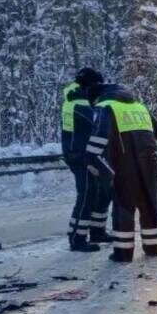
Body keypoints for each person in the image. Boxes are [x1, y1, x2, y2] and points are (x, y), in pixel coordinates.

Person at [85, 84, 157, 263]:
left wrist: (101, 167)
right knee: (150, 206)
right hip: (149, 163)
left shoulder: (106, 107)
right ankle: (154, 248)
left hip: (124, 165)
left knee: (124, 209)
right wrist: (152, 152)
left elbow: (95, 145)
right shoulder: (140, 107)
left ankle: (123, 253)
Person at [61, 68, 110, 252]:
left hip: (80, 152)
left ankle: (97, 231)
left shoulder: (75, 99)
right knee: (87, 194)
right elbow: (99, 125)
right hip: (81, 155)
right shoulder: (81, 104)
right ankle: (77, 238)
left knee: (101, 191)